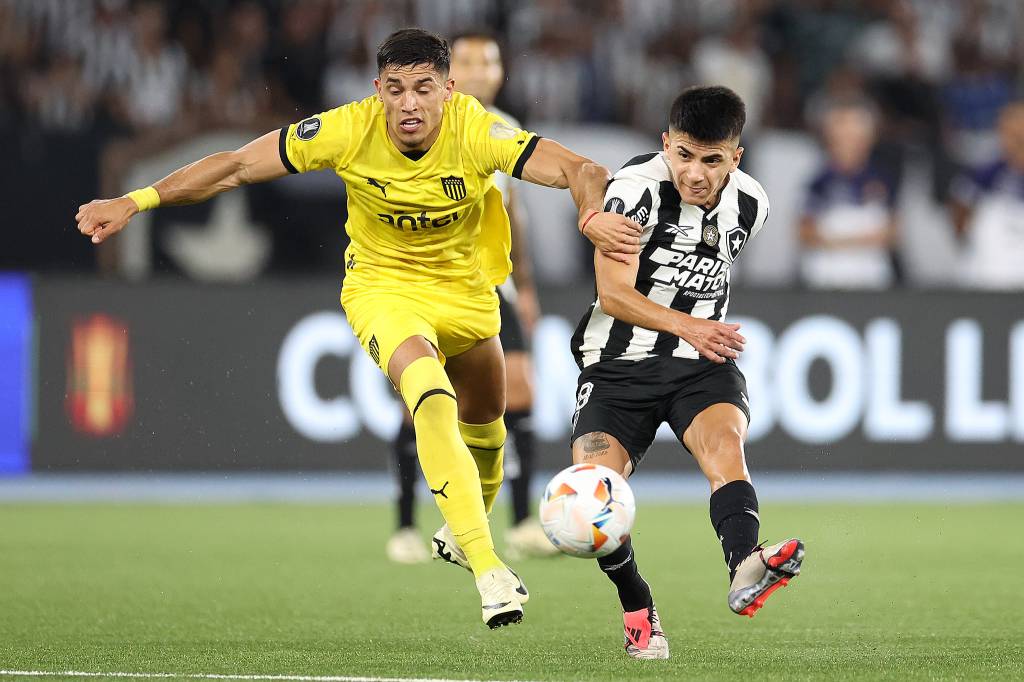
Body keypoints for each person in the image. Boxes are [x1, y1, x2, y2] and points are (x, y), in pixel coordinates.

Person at [75, 28, 641, 630]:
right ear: (378, 89)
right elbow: (237, 165)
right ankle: (489, 571)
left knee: (488, 428)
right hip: (383, 290)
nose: (409, 103)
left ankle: (461, 530)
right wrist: (136, 200)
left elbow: (582, 168)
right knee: (429, 393)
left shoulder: (479, 129)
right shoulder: (345, 129)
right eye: (395, 89)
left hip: (467, 293)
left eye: (423, 88)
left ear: (448, 90)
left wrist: (590, 213)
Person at [568, 86, 804, 659]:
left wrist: (694, 334)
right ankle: (638, 605)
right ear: (665, 143)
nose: (695, 173)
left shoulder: (752, 204)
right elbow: (614, 295)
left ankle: (745, 566)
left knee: (726, 449)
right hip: (617, 365)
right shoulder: (634, 192)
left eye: (712, 159)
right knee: (592, 502)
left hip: (699, 365)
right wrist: (689, 325)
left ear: (735, 158)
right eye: (684, 155)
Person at [385, 30, 558, 566]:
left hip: (492, 285)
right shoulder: (417, 127)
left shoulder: (503, 128)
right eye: (468, 61)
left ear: (500, 72)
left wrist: (524, 286)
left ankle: (522, 522)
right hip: (429, 284)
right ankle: (405, 526)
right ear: (448, 74)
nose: (480, 70)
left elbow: (512, 213)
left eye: (489, 61)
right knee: (421, 403)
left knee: (519, 394)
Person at [799, 97, 900, 289]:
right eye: (842, 135)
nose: (848, 142)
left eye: (854, 135)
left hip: (872, 277)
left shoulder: (882, 179)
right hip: (826, 277)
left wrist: (841, 238)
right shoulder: (819, 181)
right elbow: (804, 231)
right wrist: (853, 240)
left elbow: (894, 231)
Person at [948, 100, 1024, 290]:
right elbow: (959, 209)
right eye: (1007, 133)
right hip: (991, 266)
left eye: (1018, 134)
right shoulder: (984, 173)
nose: (1014, 140)